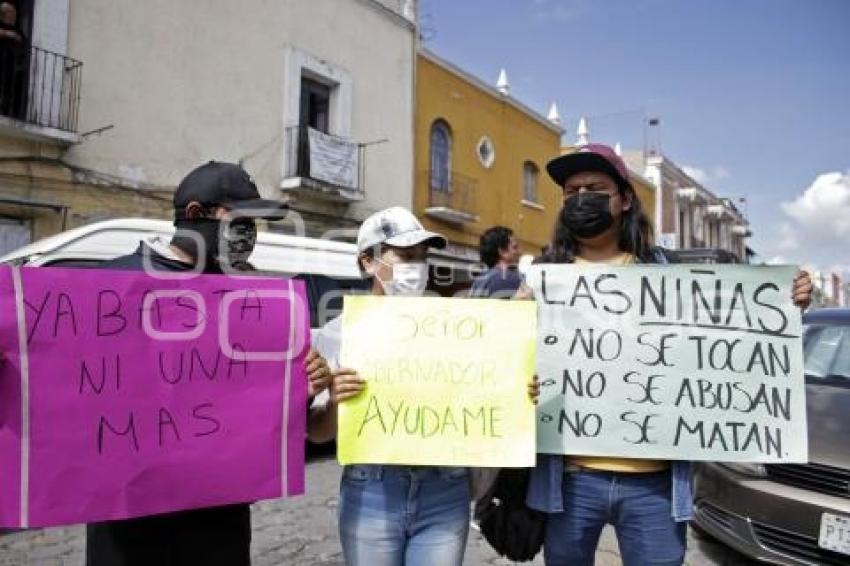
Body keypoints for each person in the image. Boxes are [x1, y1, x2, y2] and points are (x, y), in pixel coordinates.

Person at [519, 144, 813, 566]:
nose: (582, 197)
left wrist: (786, 298)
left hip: (653, 486)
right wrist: (521, 373)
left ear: (624, 199)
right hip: (569, 480)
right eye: (572, 190)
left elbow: (732, 335)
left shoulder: (667, 276)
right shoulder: (543, 279)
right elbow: (509, 365)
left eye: (596, 188)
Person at [85, 161, 333, 566]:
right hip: (129, 529)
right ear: (196, 215)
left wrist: (301, 389)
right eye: (241, 219)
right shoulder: (108, 286)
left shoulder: (255, 300)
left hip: (220, 529)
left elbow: (267, 415)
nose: (250, 234)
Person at [469, 225, 522, 299]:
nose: (519, 252)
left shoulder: (480, 280)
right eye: (515, 247)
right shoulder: (510, 279)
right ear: (502, 251)